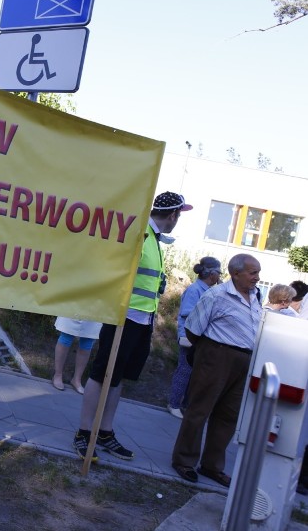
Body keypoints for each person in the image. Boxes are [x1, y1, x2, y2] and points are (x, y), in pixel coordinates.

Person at [73, 191, 191, 462]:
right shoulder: (141, 235)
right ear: (173, 214)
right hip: (123, 318)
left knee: (119, 377)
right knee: (101, 373)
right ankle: (83, 432)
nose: (178, 220)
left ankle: (104, 432)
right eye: (180, 215)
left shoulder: (156, 240)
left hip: (144, 320)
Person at [171, 254, 262, 487]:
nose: (257, 277)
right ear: (235, 273)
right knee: (199, 409)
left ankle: (212, 466)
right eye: (252, 273)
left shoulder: (256, 296)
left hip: (245, 361)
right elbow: (192, 329)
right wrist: (208, 355)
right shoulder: (217, 295)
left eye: (257, 272)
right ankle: (184, 460)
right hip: (216, 355)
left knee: (228, 416)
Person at [167, 256, 222, 419]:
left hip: (198, 337)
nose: (219, 276)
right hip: (189, 336)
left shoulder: (206, 290)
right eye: (218, 273)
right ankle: (174, 403)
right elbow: (186, 311)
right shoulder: (194, 289)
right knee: (184, 370)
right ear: (211, 274)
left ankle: (184, 404)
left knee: (193, 373)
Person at [52, 317, 100, 394]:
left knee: (87, 342)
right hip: (74, 307)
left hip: (94, 310)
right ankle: (57, 375)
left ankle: (77, 380)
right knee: (66, 337)